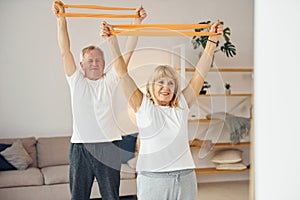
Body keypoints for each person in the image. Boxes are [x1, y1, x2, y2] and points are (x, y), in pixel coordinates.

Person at [101, 20, 223, 200]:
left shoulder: (182, 104)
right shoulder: (142, 106)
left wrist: (212, 42)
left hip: (185, 177)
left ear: (175, 88)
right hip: (153, 180)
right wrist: (112, 41)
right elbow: (122, 73)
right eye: (161, 82)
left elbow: (200, 74)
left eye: (171, 83)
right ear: (151, 86)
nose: (166, 87)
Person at [52, 1, 147, 200]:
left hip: (109, 147)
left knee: (111, 196)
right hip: (81, 148)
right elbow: (64, 51)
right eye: (90, 60)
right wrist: (61, 19)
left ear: (104, 65)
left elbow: (127, 53)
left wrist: (136, 22)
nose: (94, 63)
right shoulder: (76, 80)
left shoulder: (110, 80)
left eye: (98, 60)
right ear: (81, 64)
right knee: (78, 196)